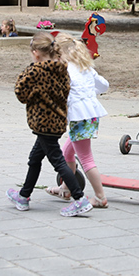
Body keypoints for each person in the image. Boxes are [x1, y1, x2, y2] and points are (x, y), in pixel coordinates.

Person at [6, 32, 92, 217]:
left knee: (58, 162)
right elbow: (66, 91)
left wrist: (31, 72)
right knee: (34, 158)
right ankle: (23, 195)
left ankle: (80, 198)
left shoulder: (35, 71)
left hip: (42, 123)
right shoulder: (62, 68)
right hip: (57, 122)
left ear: (36, 53)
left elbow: (20, 93)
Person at [45, 36, 111, 209]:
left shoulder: (65, 71)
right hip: (91, 116)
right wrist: (90, 93)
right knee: (67, 153)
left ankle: (100, 197)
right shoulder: (86, 68)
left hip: (80, 117)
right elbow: (104, 85)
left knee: (86, 159)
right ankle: (66, 189)